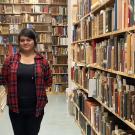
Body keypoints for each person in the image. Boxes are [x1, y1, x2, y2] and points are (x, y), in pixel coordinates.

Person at [0, 28, 52, 135]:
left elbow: (48, 81)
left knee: (33, 133)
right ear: (19, 42)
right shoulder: (10, 60)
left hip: (36, 108)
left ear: (34, 41)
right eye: (22, 40)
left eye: (28, 40)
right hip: (15, 107)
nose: (25, 43)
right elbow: (3, 79)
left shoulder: (43, 61)